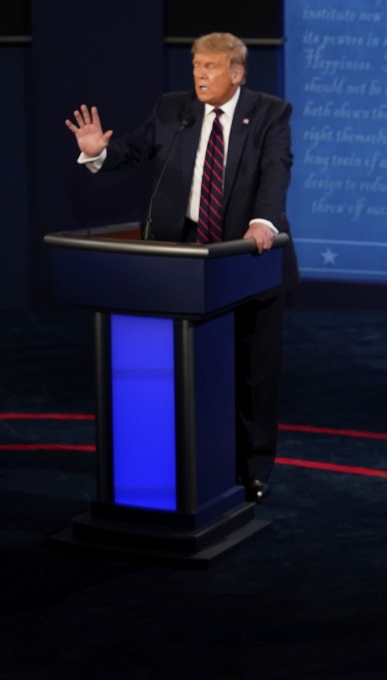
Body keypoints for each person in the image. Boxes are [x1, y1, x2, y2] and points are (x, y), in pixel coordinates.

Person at [65, 32, 298, 503]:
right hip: (185, 263)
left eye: (210, 67)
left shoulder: (271, 112)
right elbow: (133, 149)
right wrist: (98, 152)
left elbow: (276, 169)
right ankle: (195, 459)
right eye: (195, 65)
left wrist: (262, 221)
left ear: (237, 73)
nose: (199, 75)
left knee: (254, 372)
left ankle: (253, 468)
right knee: (190, 370)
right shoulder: (175, 109)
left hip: (248, 257)